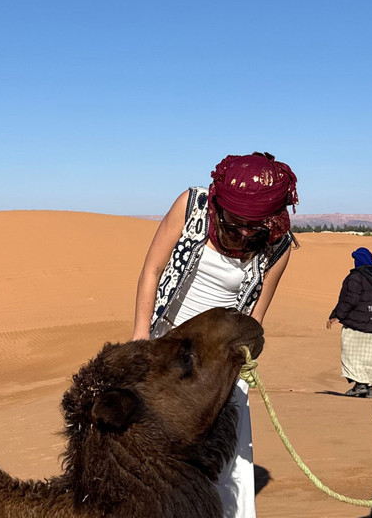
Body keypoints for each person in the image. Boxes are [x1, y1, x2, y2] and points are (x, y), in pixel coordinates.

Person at [133, 152, 298, 518]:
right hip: (165, 349)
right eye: (234, 223)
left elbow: (255, 319)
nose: (242, 234)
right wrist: (140, 339)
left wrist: (239, 368)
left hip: (221, 362)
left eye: (252, 228)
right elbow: (152, 269)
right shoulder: (192, 206)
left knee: (229, 463)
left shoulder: (278, 246)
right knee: (150, 452)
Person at [326, 247, 372, 398]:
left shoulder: (356, 277)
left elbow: (350, 299)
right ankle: (368, 388)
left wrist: (337, 316)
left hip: (357, 324)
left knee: (352, 354)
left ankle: (360, 385)